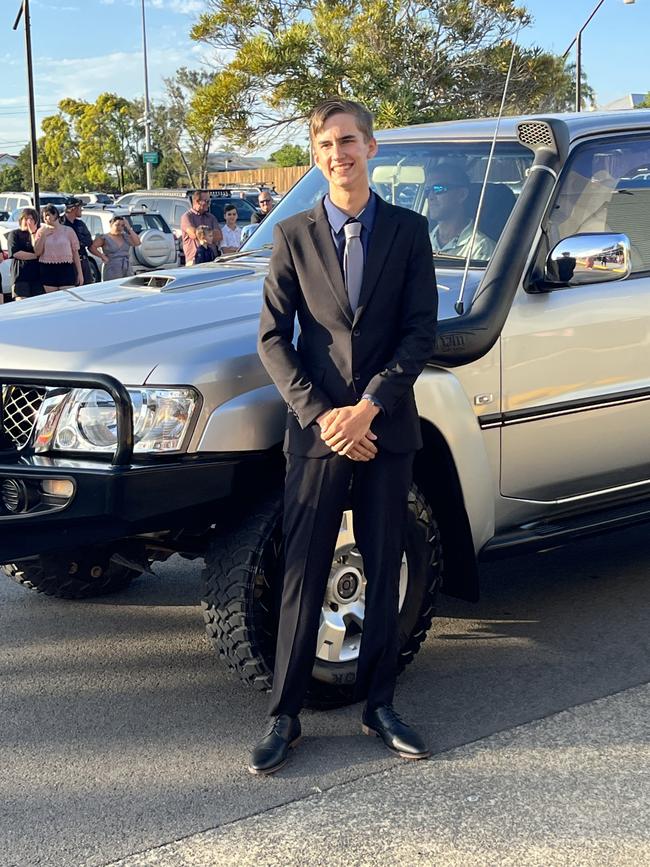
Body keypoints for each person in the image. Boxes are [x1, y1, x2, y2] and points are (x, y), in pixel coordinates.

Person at [253, 98, 438, 776]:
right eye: (327, 143)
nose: (340, 153)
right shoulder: (292, 236)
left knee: (385, 564)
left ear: (373, 146)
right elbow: (273, 339)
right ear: (316, 153)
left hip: (386, 430)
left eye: (350, 140)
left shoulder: (409, 232)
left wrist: (368, 409)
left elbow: (421, 332)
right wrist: (326, 416)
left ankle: (380, 703)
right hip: (317, 434)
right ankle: (284, 712)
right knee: (303, 573)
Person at [427, 165, 495, 260]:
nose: (430, 196)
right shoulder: (420, 242)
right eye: (427, 190)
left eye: (438, 189)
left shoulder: (481, 248)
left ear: (461, 195)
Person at [33, 204, 83, 293]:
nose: (46, 218)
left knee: (68, 295)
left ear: (55, 214)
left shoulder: (68, 231)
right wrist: (43, 236)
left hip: (66, 267)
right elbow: (37, 252)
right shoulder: (41, 231)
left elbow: (75, 253)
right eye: (44, 216)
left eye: (48, 215)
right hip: (48, 268)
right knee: (52, 298)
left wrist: (80, 273)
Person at [6, 207, 44, 301]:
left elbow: (38, 248)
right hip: (21, 275)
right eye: (26, 219)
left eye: (31, 219)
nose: (28, 221)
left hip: (37, 276)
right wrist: (36, 256)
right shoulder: (14, 234)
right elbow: (16, 253)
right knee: (22, 301)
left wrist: (33, 233)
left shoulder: (38, 234)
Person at [89, 214, 141, 280]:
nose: (119, 228)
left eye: (122, 225)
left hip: (126, 267)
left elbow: (137, 242)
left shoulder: (125, 237)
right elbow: (92, 247)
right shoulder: (105, 237)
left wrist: (129, 228)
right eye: (117, 225)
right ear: (111, 225)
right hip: (111, 267)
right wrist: (102, 256)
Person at [180, 191, 222, 266]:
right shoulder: (187, 217)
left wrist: (203, 234)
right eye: (206, 201)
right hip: (194, 261)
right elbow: (193, 234)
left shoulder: (211, 217)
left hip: (211, 259)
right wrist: (209, 234)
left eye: (209, 201)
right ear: (197, 201)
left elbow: (219, 236)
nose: (209, 204)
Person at [61, 197, 95, 284]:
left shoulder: (80, 224)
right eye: (80, 207)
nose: (82, 210)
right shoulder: (60, 223)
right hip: (68, 263)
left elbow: (88, 241)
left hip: (83, 260)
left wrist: (78, 242)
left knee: (87, 287)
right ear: (73, 208)